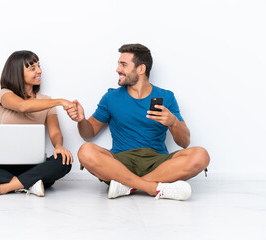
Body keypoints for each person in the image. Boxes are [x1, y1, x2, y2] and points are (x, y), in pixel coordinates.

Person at [66, 44, 210, 201]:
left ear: (141, 69)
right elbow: (89, 134)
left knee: (201, 155)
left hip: (157, 162)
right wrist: (81, 120)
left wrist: (173, 122)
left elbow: (184, 142)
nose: (118, 69)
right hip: (120, 163)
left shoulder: (166, 97)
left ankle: (127, 186)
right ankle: (152, 188)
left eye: (123, 65)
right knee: (85, 151)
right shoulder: (111, 97)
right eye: (118, 64)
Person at [0, 50, 73, 197]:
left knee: (64, 160)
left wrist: (58, 146)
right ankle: (29, 184)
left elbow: (55, 132)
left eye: (39, 66)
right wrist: (60, 101)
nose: (39, 71)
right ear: (18, 73)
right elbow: (22, 106)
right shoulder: (5, 94)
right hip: (3, 165)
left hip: (33, 166)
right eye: (32, 68)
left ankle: (2, 188)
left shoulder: (46, 101)